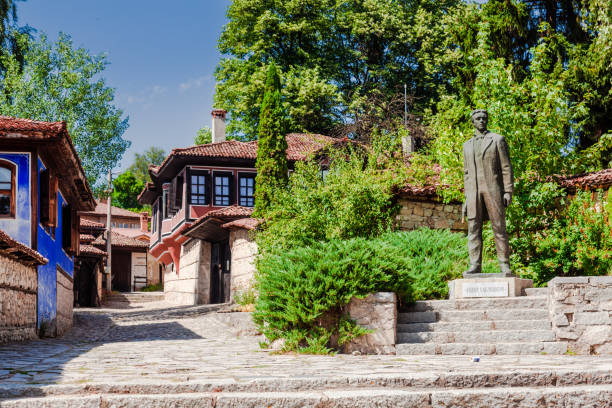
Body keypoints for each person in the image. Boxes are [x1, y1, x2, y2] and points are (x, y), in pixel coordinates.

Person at [462, 109, 514, 275]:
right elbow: (466, 173)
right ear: (473, 122)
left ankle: (504, 265)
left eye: (484, 118)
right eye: (478, 118)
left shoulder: (497, 140)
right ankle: (475, 265)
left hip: (493, 190)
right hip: (473, 193)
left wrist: (508, 191)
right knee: (473, 229)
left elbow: (506, 167)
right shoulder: (467, 145)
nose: (482, 121)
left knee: (499, 228)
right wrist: (466, 198)